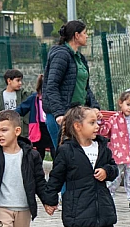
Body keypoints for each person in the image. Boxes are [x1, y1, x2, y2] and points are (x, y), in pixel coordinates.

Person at [45, 106, 118, 227]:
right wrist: (50, 200)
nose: (97, 126)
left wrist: (107, 172)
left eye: (97, 122)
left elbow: (113, 167)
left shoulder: (102, 146)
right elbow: (56, 177)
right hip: (78, 203)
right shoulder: (66, 150)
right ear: (77, 126)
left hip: (100, 201)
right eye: (92, 123)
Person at [42, 21, 100, 150]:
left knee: (80, 155)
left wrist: (94, 107)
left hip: (78, 114)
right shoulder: (61, 55)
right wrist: (59, 114)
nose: (87, 36)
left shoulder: (79, 58)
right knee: (66, 156)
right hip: (62, 116)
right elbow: (51, 86)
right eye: (85, 33)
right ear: (76, 35)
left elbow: (85, 87)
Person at [15, 75, 54, 159]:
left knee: (55, 152)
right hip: (39, 129)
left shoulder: (54, 98)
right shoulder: (34, 98)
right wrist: (11, 115)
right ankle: (38, 171)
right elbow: (22, 108)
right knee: (39, 154)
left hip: (51, 127)